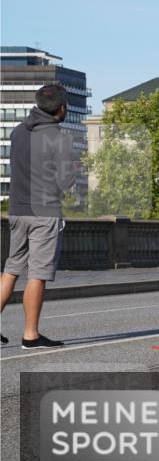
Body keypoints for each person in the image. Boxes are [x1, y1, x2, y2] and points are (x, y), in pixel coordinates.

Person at [0, 84, 77, 348]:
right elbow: (66, 182)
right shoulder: (59, 137)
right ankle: (30, 335)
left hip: (18, 210)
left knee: (11, 269)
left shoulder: (18, 132)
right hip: (44, 213)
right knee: (37, 273)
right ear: (62, 108)